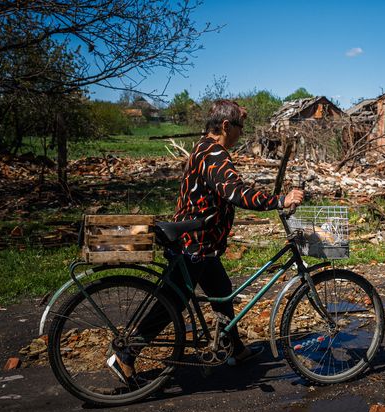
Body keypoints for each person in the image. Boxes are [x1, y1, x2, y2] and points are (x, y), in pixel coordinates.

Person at [107, 99, 304, 383]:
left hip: (203, 241)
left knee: (221, 288)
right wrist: (279, 200)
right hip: (194, 242)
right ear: (226, 126)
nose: (241, 132)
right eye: (240, 126)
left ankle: (233, 347)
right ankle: (126, 354)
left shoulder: (203, 147)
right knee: (172, 303)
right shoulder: (214, 154)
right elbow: (234, 192)